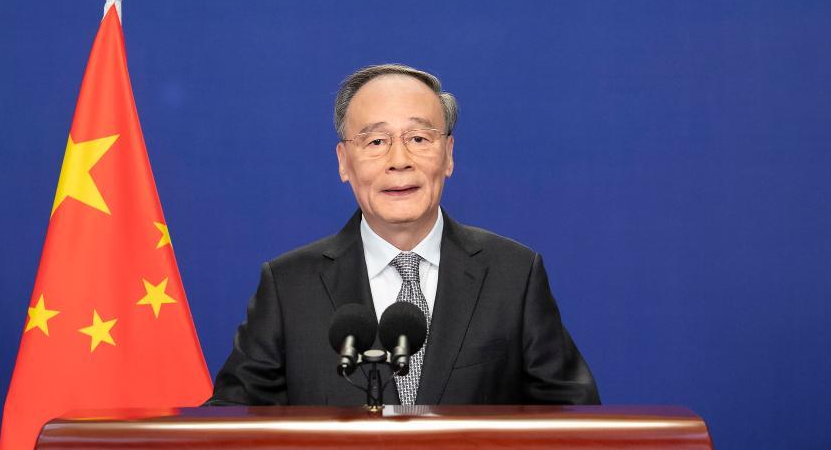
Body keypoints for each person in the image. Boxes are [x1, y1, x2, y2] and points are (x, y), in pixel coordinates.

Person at [206, 64, 599, 407]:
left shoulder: (513, 274)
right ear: (344, 162)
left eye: (418, 139)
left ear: (449, 155)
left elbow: (573, 419)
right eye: (376, 141)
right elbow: (230, 426)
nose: (399, 161)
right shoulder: (289, 286)